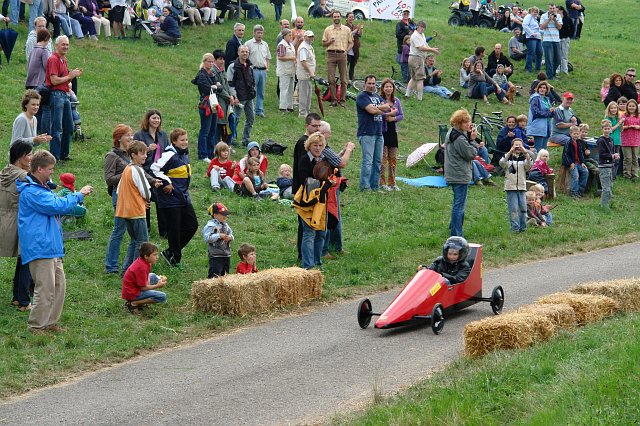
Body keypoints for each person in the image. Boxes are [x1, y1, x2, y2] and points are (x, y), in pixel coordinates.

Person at [17, 150, 93, 332]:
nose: (52, 172)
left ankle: (50, 322)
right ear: (39, 169)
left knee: (59, 286)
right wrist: (79, 195)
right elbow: (57, 205)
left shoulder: (43, 189)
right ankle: (36, 326)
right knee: (45, 289)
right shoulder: (32, 192)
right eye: (50, 169)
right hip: (40, 247)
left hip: (52, 246)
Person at [152, 129, 199, 267]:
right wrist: (167, 182)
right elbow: (154, 169)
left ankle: (170, 252)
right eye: (182, 140)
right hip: (171, 199)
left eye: (186, 139)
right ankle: (174, 259)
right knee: (174, 229)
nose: (185, 142)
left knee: (192, 225)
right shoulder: (169, 155)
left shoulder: (184, 154)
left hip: (183, 197)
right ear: (174, 141)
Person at [115, 140, 160, 275]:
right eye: (142, 153)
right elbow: (146, 191)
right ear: (133, 155)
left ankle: (126, 271)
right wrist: (145, 199)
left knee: (134, 242)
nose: (145, 156)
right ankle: (135, 273)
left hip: (125, 211)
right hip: (136, 212)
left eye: (146, 153)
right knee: (142, 244)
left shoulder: (126, 169)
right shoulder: (137, 169)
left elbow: (118, 190)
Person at [1, 141, 34, 312]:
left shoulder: (4, 172)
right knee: (27, 258)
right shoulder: (24, 177)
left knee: (23, 258)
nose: (31, 158)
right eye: (29, 155)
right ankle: (23, 300)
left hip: (4, 220)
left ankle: (17, 297)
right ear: (21, 157)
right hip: (20, 221)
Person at [295, 132, 328, 269]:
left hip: (321, 201)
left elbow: (332, 174)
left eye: (320, 145)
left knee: (321, 233)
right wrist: (324, 183)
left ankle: (317, 262)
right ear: (309, 145)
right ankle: (308, 265)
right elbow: (305, 180)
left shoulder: (324, 160)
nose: (318, 148)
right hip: (307, 200)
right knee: (309, 233)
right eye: (315, 145)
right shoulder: (304, 159)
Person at [46, 35, 82, 161]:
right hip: (57, 95)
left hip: (65, 95)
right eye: (63, 44)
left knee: (69, 127)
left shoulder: (63, 60)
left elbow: (64, 79)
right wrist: (70, 76)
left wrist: (72, 76)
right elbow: (54, 80)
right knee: (56, 129)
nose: (66, 47)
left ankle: (63, 155)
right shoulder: (53, 59)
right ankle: (54, 157)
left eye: (67, 44)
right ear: (56, 45)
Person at [444, 108, 478, 237]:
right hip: (459, 174)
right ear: (458, 123)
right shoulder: (458, 137)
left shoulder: (452, 133)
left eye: (469, 121)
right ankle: (456, 233)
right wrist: (473, 141)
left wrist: (468, 137)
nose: (469, 124)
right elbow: (470, 154)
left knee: (457, 203)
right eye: (465, 122)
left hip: (453, 172)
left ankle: (454, 227)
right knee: (459, 205)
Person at [356, 74, 390, 191]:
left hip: (379, 133)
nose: (371, 86)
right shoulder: (362, 96)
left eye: (373, 83)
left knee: (378, 161)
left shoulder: (376, 96)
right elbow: (371, 110)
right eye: (369, 83)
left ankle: (375, 186)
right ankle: (365, 187)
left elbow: (387, 107)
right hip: (366, 133)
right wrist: (379, 109)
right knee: (368, 161)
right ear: (365, 84)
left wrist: (377, 109)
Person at [121, 242, 167, 314]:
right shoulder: (141, 267)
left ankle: (140, 301)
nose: (157, 257)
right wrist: (157, 285)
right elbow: (143, 288)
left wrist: (158, 279)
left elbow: (146, 277)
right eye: (154, 255)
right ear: (146, 256)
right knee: (162, 296)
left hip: (133, 288)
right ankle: (134, 303)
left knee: (154, 276)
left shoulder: (145, 262)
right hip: (132, 293)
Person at [193, 52, 223, 161]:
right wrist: (215, 86)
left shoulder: (211, 74)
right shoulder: (201, 75)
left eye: (212, 62)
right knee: (205, 130)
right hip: (205, 105)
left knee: (212, 130)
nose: (211, 63)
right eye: (209, 61)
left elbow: (220, 87)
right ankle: (203, 154)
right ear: (204, 62)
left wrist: (215, 86)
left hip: (213, 104)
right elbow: (206, 88)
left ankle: (211, 154)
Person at [322, 10, 353, 108]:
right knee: (331, 79)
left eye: (338, 16)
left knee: (343, 80)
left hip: (342, 55)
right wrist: (329, 42)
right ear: (332, 18)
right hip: (331, 54)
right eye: (334, 16)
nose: (336, 18)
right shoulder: (328, 29)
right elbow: (323, 44)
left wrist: (346, 51)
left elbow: (351, 42)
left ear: (341, 17)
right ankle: (334, 100)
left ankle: (342, 100)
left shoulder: (346, 30)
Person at [500, 138, 531, 233]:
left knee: (523, 208)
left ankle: (523, 227)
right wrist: (510, 152)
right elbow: (501, 163)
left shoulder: (524, 158)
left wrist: (525, 152)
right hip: (510, 187)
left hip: (521, 186)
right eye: (515, 145)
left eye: (520, 145)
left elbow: (529, 166)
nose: (517, 147)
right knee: (513, 209)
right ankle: (515, 228)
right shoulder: (507, 157)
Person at [228, 45, 256, 147]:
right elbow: (230, 83)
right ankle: (231, 139)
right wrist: (234, 97)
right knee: (235, 119)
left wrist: (253, 91)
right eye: (242, 51)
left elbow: (252, 81)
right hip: (239, 98)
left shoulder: (249, 66)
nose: (245, 53)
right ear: (238, 53)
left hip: (249, 97)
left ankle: (246, 139)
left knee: (251, 118)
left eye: (246, 52)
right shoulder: (233, 67)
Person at [379, 78, 404, 191]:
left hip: (393, 132)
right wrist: (388, 115)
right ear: (383, 88)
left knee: (393, 159)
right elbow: (377, 113)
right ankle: (382, 182)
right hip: (383, 131)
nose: (388, 89)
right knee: (383, 159)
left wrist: (393, 118)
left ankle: (392, 182)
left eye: (390, 87)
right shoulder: (380, 100)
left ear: (393, 89)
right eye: (386, 87)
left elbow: (401, 115)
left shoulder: (396, 101)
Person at [405, 20, 439, 101]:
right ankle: (419, 98)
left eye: (424, 27)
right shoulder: (415, 35)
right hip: (416, 58)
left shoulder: (422, 35)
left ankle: (407, 94)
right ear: (417, 27)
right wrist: (432, 50)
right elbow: (420, 48)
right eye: (421, 27)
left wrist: (432, 49)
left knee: (413, 78)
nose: (422, 29)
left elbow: (425, 44)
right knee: (420, 79)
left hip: (415, 58)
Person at [245, 25, 271, 118]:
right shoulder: (249, 44)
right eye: (258, 33)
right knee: (252, 90)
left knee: (261, 91)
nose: (260, 34)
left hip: (262, 71)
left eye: (261, 33)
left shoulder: (265, 44)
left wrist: (267, 68)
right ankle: (250, 110)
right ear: (254, 33)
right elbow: (245, 57)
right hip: (253, 70)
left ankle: (259, 110)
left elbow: (268, 57)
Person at [211, 49, 236, 145]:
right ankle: (216, 146)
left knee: (226, 124)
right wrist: (228, 97)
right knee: (218, 124)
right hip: (219, 101)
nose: (222, 61)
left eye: (223, 59)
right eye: (220, 59)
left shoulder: (222, 70)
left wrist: (231, 95)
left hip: (226, 102)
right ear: (215, 59)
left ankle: (225, 146)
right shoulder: (213, 71)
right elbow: (219, 89)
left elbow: (226, 85)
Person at [203, 202, 234, 278]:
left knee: (225, 275)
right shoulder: (211, 226)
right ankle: (211, 285)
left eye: (226, 214)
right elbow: (207, 238)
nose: (225, 216)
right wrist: (219, 235)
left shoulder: (225, 225)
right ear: (215, 215)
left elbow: (231, 233)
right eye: (223, 214)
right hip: (215, 255)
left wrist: (230, 237)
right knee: (215, 274)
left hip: (226, 253)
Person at [527, 81, 555, 152]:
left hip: (547, 127)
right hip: (538, 127)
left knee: (544, 150)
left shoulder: (546, 99)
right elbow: (536, 112)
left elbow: (549, 114)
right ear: (538, 89)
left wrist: (552, 112)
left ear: (546, 90)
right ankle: (536, 159)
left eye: (544, 88)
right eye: (540, 87)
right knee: (538, 150)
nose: (542, 89)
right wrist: (549, 112)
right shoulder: (535, 98)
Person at [562, 126, 589, 197]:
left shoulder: (578, 142)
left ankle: (581, 190)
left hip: (578, 163)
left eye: (577, 134)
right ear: (570, 134)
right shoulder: (568, 143)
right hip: (570, 163)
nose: (576, 135)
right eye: (574, 134)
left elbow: (581, 153)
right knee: (576, 175)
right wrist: (570, 163)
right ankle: (574, 192)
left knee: (585, 172)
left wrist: (582, 162)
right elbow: (565, 155)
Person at [597, 119, 618, 209]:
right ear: (602, 129)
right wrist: (612, 156)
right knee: (606, 187)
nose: (607, 130)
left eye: (608, 128)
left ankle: (608, 203)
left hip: (610, 165)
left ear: (611, 129)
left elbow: (611, 151)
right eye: (605, 129)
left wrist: (614, 156)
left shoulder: (611, 139)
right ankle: (603, 206)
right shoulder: (601, 140)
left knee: (610, 185)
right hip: (603, 166)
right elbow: (602, 154)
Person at [296, 30, 316, 118]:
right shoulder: (303, 47)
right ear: (304, 37)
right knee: (304, 94)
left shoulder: (309, 46)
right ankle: (302, 113)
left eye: (312, 36)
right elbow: (303, 62)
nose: (311, 38)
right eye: (309, 36)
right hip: (304, 75)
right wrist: (311, 72)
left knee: (308, 94)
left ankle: (307, 112)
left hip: (308, 75)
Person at [540, 4, 562, 81]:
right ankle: (550, 76)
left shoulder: (558, 16)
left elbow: (559, 27)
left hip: (556, 40)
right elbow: (542, 27)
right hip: (547, 40)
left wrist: (555, 20)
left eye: (553, 8)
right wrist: (549, 19)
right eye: (550, 8)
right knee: (549, 59)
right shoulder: (543, 16)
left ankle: (553, 73)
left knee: (558, 59)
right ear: (548, 9)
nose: (552, 10)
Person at [276, 28, 296, 112]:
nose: (291, 37)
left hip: (291, 70)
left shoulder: (290, 44)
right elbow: (281, 57)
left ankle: (289, 106)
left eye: (291, 35)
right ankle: (283, 107)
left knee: (291, 89)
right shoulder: (282, 45)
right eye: (289, 35)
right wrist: (292, 58)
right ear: (284, 36)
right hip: (284, 70)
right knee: (284, 89)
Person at [621, 99, 640, 180]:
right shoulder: (624, 116)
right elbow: (620, 127)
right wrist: (627, 127)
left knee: (635, 158)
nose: (631, 107)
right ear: (627, 107)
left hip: (636, 140)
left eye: (633, 106)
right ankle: (627, 175)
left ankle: (634, 175)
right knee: (628, 159)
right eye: (630, 106)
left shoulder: (638, 116)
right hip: (626, 140)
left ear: (636, 107)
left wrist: (638, 127)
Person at [523, 6, 542, 73]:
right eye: (534, 12)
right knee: (531, 52)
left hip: (538, 37)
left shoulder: (535, 19)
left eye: (536, 12)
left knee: (540, 52)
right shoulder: (528, 17)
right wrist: (531, 33)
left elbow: (538, 28)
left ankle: (538, 68)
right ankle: (528, 68)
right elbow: (524, 25)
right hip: (531, 37)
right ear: (531, 11)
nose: (535, 13)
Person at [395, 9, 415, 75]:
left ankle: (409, 76)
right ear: (402, 15)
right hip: (402, 45)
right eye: (404, 14)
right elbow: (398, 35)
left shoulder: (411, 22)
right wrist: (407, 33)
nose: (406, 15)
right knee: (403, 62)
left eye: (407, 14)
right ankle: (404, 76)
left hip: (411, 45)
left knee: (410, 62)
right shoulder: (399, 24)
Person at [345, 12, 363, 82]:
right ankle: (344, 79)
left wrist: (360, 29)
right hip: (347, 48)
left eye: (352, 17)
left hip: (355, 49)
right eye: (350, 17)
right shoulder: (344, 27)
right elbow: (349, 34)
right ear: (347, 18)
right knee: (345, 65)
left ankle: (350, 79)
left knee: (352, 65)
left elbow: (359, 35)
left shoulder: (355, 26)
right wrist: (356, 29)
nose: (351, 18)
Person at [555, 5, 572, 76]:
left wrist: (569, 36)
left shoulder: (567, 18)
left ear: (561, 11)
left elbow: (572, 27)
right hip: (557, 38)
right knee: (557, 54)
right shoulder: (555, 18)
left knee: (564, 54)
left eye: (558, 11)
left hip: (565, 38)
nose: (557, 12)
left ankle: (565, 70)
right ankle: (557, 69)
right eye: (556, 11)